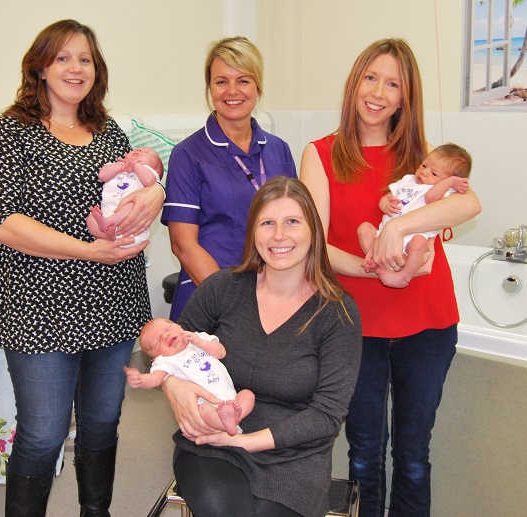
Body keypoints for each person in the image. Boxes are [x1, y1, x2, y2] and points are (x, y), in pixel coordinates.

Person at [0, 19, 164, 517]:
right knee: (43, 433)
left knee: (103, 422)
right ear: (40, 66)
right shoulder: (11, 131)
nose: (74, 68)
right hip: (38, 307)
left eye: (84, 59)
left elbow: (139, 184)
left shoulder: (108, 132)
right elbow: (3, 221)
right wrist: (87, 251)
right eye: (62, 57)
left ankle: (95, 512)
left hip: (113, 303)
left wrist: (156, 192)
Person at [300, 38, 481, 517]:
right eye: (371, 77)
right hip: (356, 328)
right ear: (355, 82)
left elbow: (469, 203)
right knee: (363, 455)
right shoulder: (320, 154)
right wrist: (375, 269)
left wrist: (399, 226)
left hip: (428, 323)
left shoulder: (422, 157)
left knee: (414, 457)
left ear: (405, 98)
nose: (379, 92)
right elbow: (314, 244)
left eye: (393, 84)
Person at [161, 176, 362, 517]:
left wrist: (246, 441)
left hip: (294, 453)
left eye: (292, 222)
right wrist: (172, 384)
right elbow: (171, 347)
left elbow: (327, 414)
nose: (279, 236)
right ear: (253, 232)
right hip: (213, 442)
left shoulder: (337, 312)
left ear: (313, 230)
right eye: (267, 223)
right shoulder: (222, 288)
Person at [161, 36, 297, 322]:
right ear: (210, 88)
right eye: (221, 81)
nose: (232, 91)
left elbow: (297, 227)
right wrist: (233, 305)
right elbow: (184, 245)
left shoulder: (279, 149)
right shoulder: (188, 154)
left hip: (274, 299)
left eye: (243, 80)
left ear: (258, 87)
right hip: (212, 299)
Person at [358, 143, 472, 288]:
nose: (424, 172)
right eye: (424, 165)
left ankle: (404, 277)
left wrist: (449, 183)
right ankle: (375, 256)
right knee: (364, 229)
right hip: (385, 234)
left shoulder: (443, 191)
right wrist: (386, 204)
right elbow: (386, 197)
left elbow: (431, 198)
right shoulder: (407, 180)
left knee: (419, 244)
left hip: (413, 236)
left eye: (434, 174)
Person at [124, 318, 255, 436]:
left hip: (231, 397)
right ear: (155, 356)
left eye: (167, 329)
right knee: (205, 413)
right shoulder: (165, 361)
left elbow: (221, 352)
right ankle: (226, 424)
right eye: (158, 341)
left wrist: (201, 343)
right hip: (205, 403)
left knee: (248, 395)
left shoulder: (198, 338)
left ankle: (235, 417)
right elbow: (155, 379)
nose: (165, 336)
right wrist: (142, 380)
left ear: (179, 326)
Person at [87, 146, 164, 246]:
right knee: (90, 219)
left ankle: (110, 222)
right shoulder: (116, 165)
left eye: (147, 153)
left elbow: (149, 181)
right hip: (107, 216)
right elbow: (102, 176)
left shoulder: (149, 172)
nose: (139, 150)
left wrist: (135, 166)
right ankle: (109, 235)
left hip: (130, 226)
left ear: (157, 170)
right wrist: (120, 166)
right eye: (137, 149)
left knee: (133, 204)